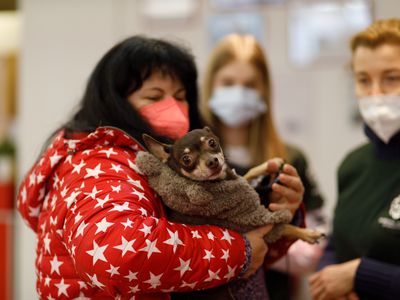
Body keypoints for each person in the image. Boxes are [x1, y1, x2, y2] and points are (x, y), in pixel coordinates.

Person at [17, 36, 305, 299]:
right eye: (154, 97)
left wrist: (280, 216)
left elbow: (246, 252)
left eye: (180, 97)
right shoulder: (98, 164)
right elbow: (116, 255)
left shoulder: (163, 167)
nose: (173, 108)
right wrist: (234, 252)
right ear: (114, 102)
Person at [200, 33, 326, 300]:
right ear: (211, 85)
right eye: (228, 83)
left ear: (264, 91)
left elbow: (316, 243)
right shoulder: (194, 161)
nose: (238, 93)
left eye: (249, 85)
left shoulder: (289, 159)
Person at [309, 19, 400, 300]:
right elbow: (338, 242)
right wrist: (330, 281)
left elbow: (353, 270)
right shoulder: (353, 164)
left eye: (391, 78)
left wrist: (359, 276)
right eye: (363, 80)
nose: (375, 93)